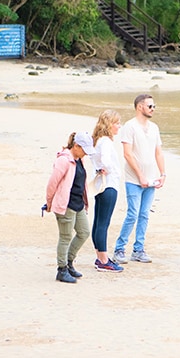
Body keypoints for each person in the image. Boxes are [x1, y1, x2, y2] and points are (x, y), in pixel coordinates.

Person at [113, 94, 166, 264]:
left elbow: (158, 152)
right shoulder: (129, 127)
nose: (153, 109)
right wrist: (140, 176)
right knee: (132, 214)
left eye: (154, 106)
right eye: (150, 106)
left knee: (144, 215)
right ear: (140, 107)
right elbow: (127, 154)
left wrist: (163, 174)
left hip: (151, 180)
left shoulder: (154, 128)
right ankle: (119, 249)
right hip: (133, 180)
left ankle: (138, 249)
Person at [45, 132, 95, 284]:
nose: (86, 153)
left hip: (78, 203)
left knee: (84, 232)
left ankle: (69, 262)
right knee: (65, 237)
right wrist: (49, 202)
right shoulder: (64, 160)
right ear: (76, 146)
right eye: (84, 149)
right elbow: (52, 183)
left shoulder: (79, 159)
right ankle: (62, 269)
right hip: (65, 205)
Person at [90, 110, 124, 273]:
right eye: (117, 123)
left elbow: (94, 159)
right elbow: (105, 161)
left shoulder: (97, 140)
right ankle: (103, 260)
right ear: (109, 124)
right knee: (103, 223)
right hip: (109, 185)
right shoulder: (106, 142)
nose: (119, 126)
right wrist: (108, 169)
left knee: (98, 221)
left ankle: (100, 256)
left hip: (100, 186)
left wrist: (99, 168)